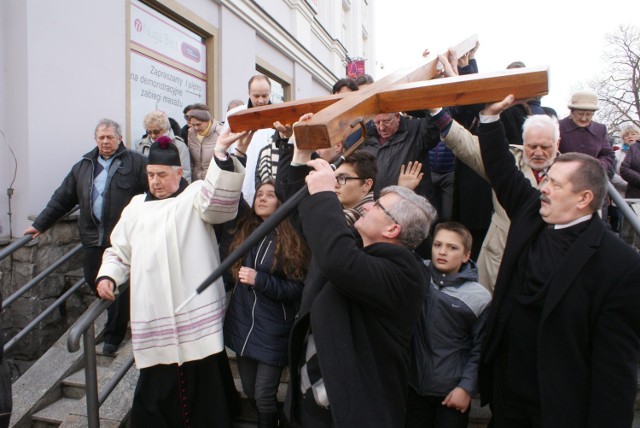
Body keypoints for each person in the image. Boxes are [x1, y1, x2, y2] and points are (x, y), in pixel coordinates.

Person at [477, 95, 640, 427]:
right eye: (546, 179)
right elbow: (501, 169)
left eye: (554, 183)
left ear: (583, 198)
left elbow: (614, 370)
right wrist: (490, 118)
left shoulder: (620, 266)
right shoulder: (531, 212)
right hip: (507, 395)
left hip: (558, 407)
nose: (543, 188)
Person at [95, 129, 247, 426]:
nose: (155, 181)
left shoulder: (193, 197)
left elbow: (218, 204)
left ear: (179, 173)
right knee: (157, 384)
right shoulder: (135, 208)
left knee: (204, 382)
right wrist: (108, 277)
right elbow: (119, 251)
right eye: (151, 174)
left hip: (193, 312)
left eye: (162, 175)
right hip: (155, 313)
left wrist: (220, 155)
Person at [285, 157, 438, 427]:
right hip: (311, 406)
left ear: (393, 229)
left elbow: (339, 260)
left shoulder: (406, 274)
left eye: (378, 205)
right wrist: (300, 157)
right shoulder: (355, 249)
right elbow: (307, 218)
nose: (367, 205)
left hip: (351, 415)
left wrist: (325, 194)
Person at [25, 119, 147, 354]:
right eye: (101, 137)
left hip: (121, 238)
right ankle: (113, 319)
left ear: (119, 138)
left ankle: (114, 334)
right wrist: (41, 224)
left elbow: (153, 190)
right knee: (94, 278)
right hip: (92, 236)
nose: (105, 141)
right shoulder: (84, 165)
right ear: (96, 140)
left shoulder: (135, 162)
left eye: (110, 137)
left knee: (117, 283)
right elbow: (62, 198)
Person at [429, 107, 560, 291]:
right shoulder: (506, 160)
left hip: (544, 262)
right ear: (523, 142)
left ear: (557, 143)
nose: (538, 152)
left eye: (545, 147)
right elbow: (468, 145)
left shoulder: (572, 174)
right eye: (532, 146)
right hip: (498, 253)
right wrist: (437, 112)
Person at [223, 180, 310, 428]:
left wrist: (260, 280)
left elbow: (297, 288)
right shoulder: (246, 232)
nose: (261, 198)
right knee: (250, 391)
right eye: (259, 194)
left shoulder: (291, 239)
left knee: (263, 395)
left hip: (273, 330)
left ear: (281, 203)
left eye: (270, 195)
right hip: (244, 327)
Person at [406, 222, 491, 428]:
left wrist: (466, 388)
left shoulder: (479, 297)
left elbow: (480, 349)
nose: (442, 252)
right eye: (437, 245)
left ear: (466, 255)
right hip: (411, 387)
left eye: (452, 248)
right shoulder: (417, 274)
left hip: (450, 391)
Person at [225, 75, 292, 203]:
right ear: (248, 93)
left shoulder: (280, 117)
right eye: (256, 96)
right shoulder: (235, 116)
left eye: (265, 96)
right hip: (241, 179)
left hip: (270, 187)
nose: (261, 101)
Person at [361, 111, 440, 201]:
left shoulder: (416, 130)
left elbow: (436, 119)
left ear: (397, 116)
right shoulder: (367, 137)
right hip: (378, 206)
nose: (381, 128)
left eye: (386, 121)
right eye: (377, 123)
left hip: (411, 205)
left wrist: (408, 107)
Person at [558, 90, 614, 174]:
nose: (584, 118)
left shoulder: (600, 129)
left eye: (588, 114)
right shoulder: (558, 126)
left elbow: (608, 154)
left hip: (592, 177)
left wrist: (598, 166)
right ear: (571, 112)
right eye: (580, 114)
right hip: (562, 174)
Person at [136, 110, 192, 183]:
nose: (152, 135)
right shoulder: (141, 145)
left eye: (156, 132)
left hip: (172, 188)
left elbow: (185, 173)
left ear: (165, 129)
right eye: (149, 132)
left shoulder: (179, 145)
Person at [185, 106, 223, 181]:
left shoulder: (220, 132)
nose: (195, 128)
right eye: (193, 125)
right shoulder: (191, 133)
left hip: (214, 179)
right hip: (196, 180)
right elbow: (192, 161)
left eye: (198, 124)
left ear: (208, 121)